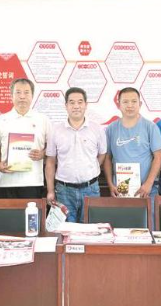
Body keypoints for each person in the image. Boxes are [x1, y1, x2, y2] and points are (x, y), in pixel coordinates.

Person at [45, 87, 107, 222]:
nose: (76, 106)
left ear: (86, 104)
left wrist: (90, 168)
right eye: (72, 102)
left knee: (91, 229)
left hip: (91, 190)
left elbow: (102, 154)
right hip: (64, 191)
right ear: (66, 105)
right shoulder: (55, 130)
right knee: (66, 230)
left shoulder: (97, 129)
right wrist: (50, 190)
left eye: (80, 102)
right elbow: (50, 161)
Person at [104, 87, 161, 222]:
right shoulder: (111, 129)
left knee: (149, 227)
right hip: (120, 191)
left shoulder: (150, 127)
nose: (129, 105)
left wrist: (148, 184)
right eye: (125, 102)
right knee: (122, 228)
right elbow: (107, 158)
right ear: (119, 105)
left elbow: (158, 156)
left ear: (140, 104)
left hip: (146, 190)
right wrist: (110, 184)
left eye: (133, 101)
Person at [0, 78, 51, 198]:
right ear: (11, 96)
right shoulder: (1, 120)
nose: (22, 96)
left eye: (26, 92)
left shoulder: (43, 120)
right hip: (7, 181)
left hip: (33, 182)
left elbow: (52, 147)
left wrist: (43, 154)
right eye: (18, 92)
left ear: (32, 96)